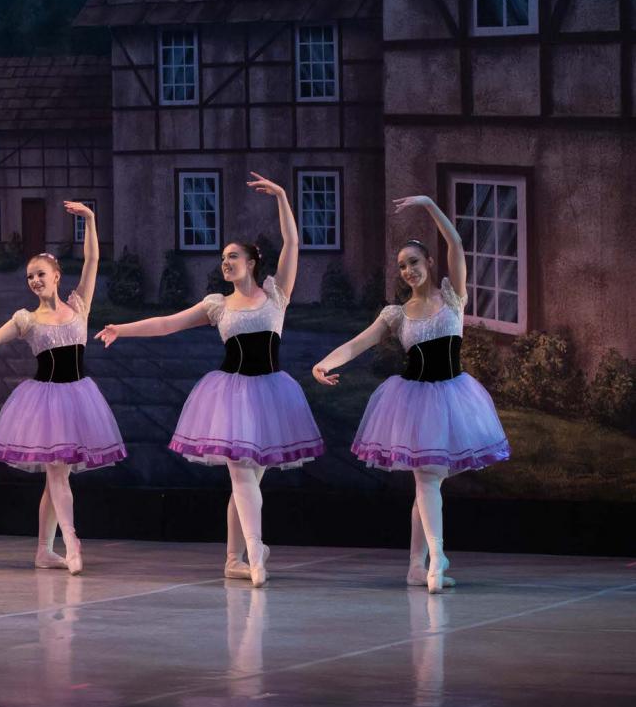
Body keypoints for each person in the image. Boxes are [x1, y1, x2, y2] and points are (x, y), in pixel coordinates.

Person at [96, 174, 323, 585]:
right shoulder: (217, 305)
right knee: (241, 474)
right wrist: (121, 329)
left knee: (248, 482)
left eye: (233, 256)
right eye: (222, 258)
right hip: (231, 395)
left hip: (271, 395)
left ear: (251, 262)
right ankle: (255, 554)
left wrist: (282, 197)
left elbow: (292, 243)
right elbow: (167, 323)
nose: (226, 262)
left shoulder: (276, 295)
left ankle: (234, 559)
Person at [312, 196, 509, 591]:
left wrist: (428, 204)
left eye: (414, 262)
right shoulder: (396, 315)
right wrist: (325, 363)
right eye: (402, 266)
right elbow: (358, 343)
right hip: (414, 402)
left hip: (452, 397)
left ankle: (416, 567)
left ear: (429, 263)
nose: (408, 271)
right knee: (428, 480)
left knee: (427, 484)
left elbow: (456, 243)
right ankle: (436, 560)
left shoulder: (452, 297)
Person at [0, 202, 124, 571]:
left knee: (56, 478)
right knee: (58, 473)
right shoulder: (26, 319)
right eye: (29, 276)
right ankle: (72, 543)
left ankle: (44, 551)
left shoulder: (79, 305)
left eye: (40, 274)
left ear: (56, 276)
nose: (34, 280)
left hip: (78, 398)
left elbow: (93, 261)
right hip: (45, 402)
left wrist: (91, 220)